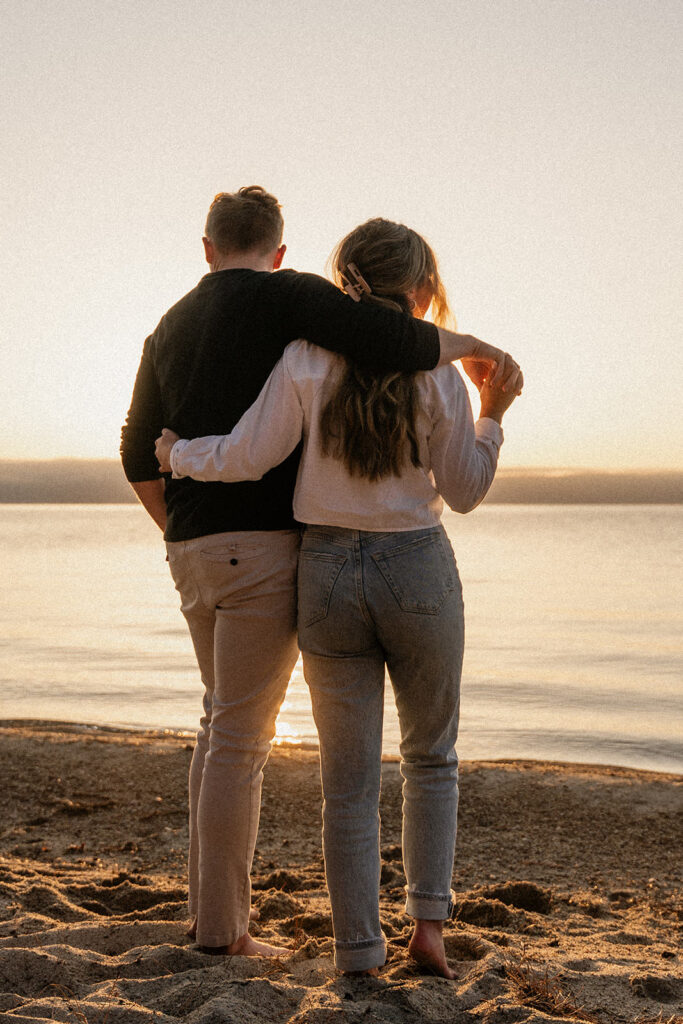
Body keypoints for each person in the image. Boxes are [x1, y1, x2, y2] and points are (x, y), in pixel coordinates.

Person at [121, 189, 522, 959]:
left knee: (330, 775)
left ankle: (354, 949)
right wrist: (490, 407)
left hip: (299, 565)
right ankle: (415, 928)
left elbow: (221, 452)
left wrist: (179, 473)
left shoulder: (267, 349)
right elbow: (465, 490)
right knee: (421, 753)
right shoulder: (418, 362)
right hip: (387, 562)